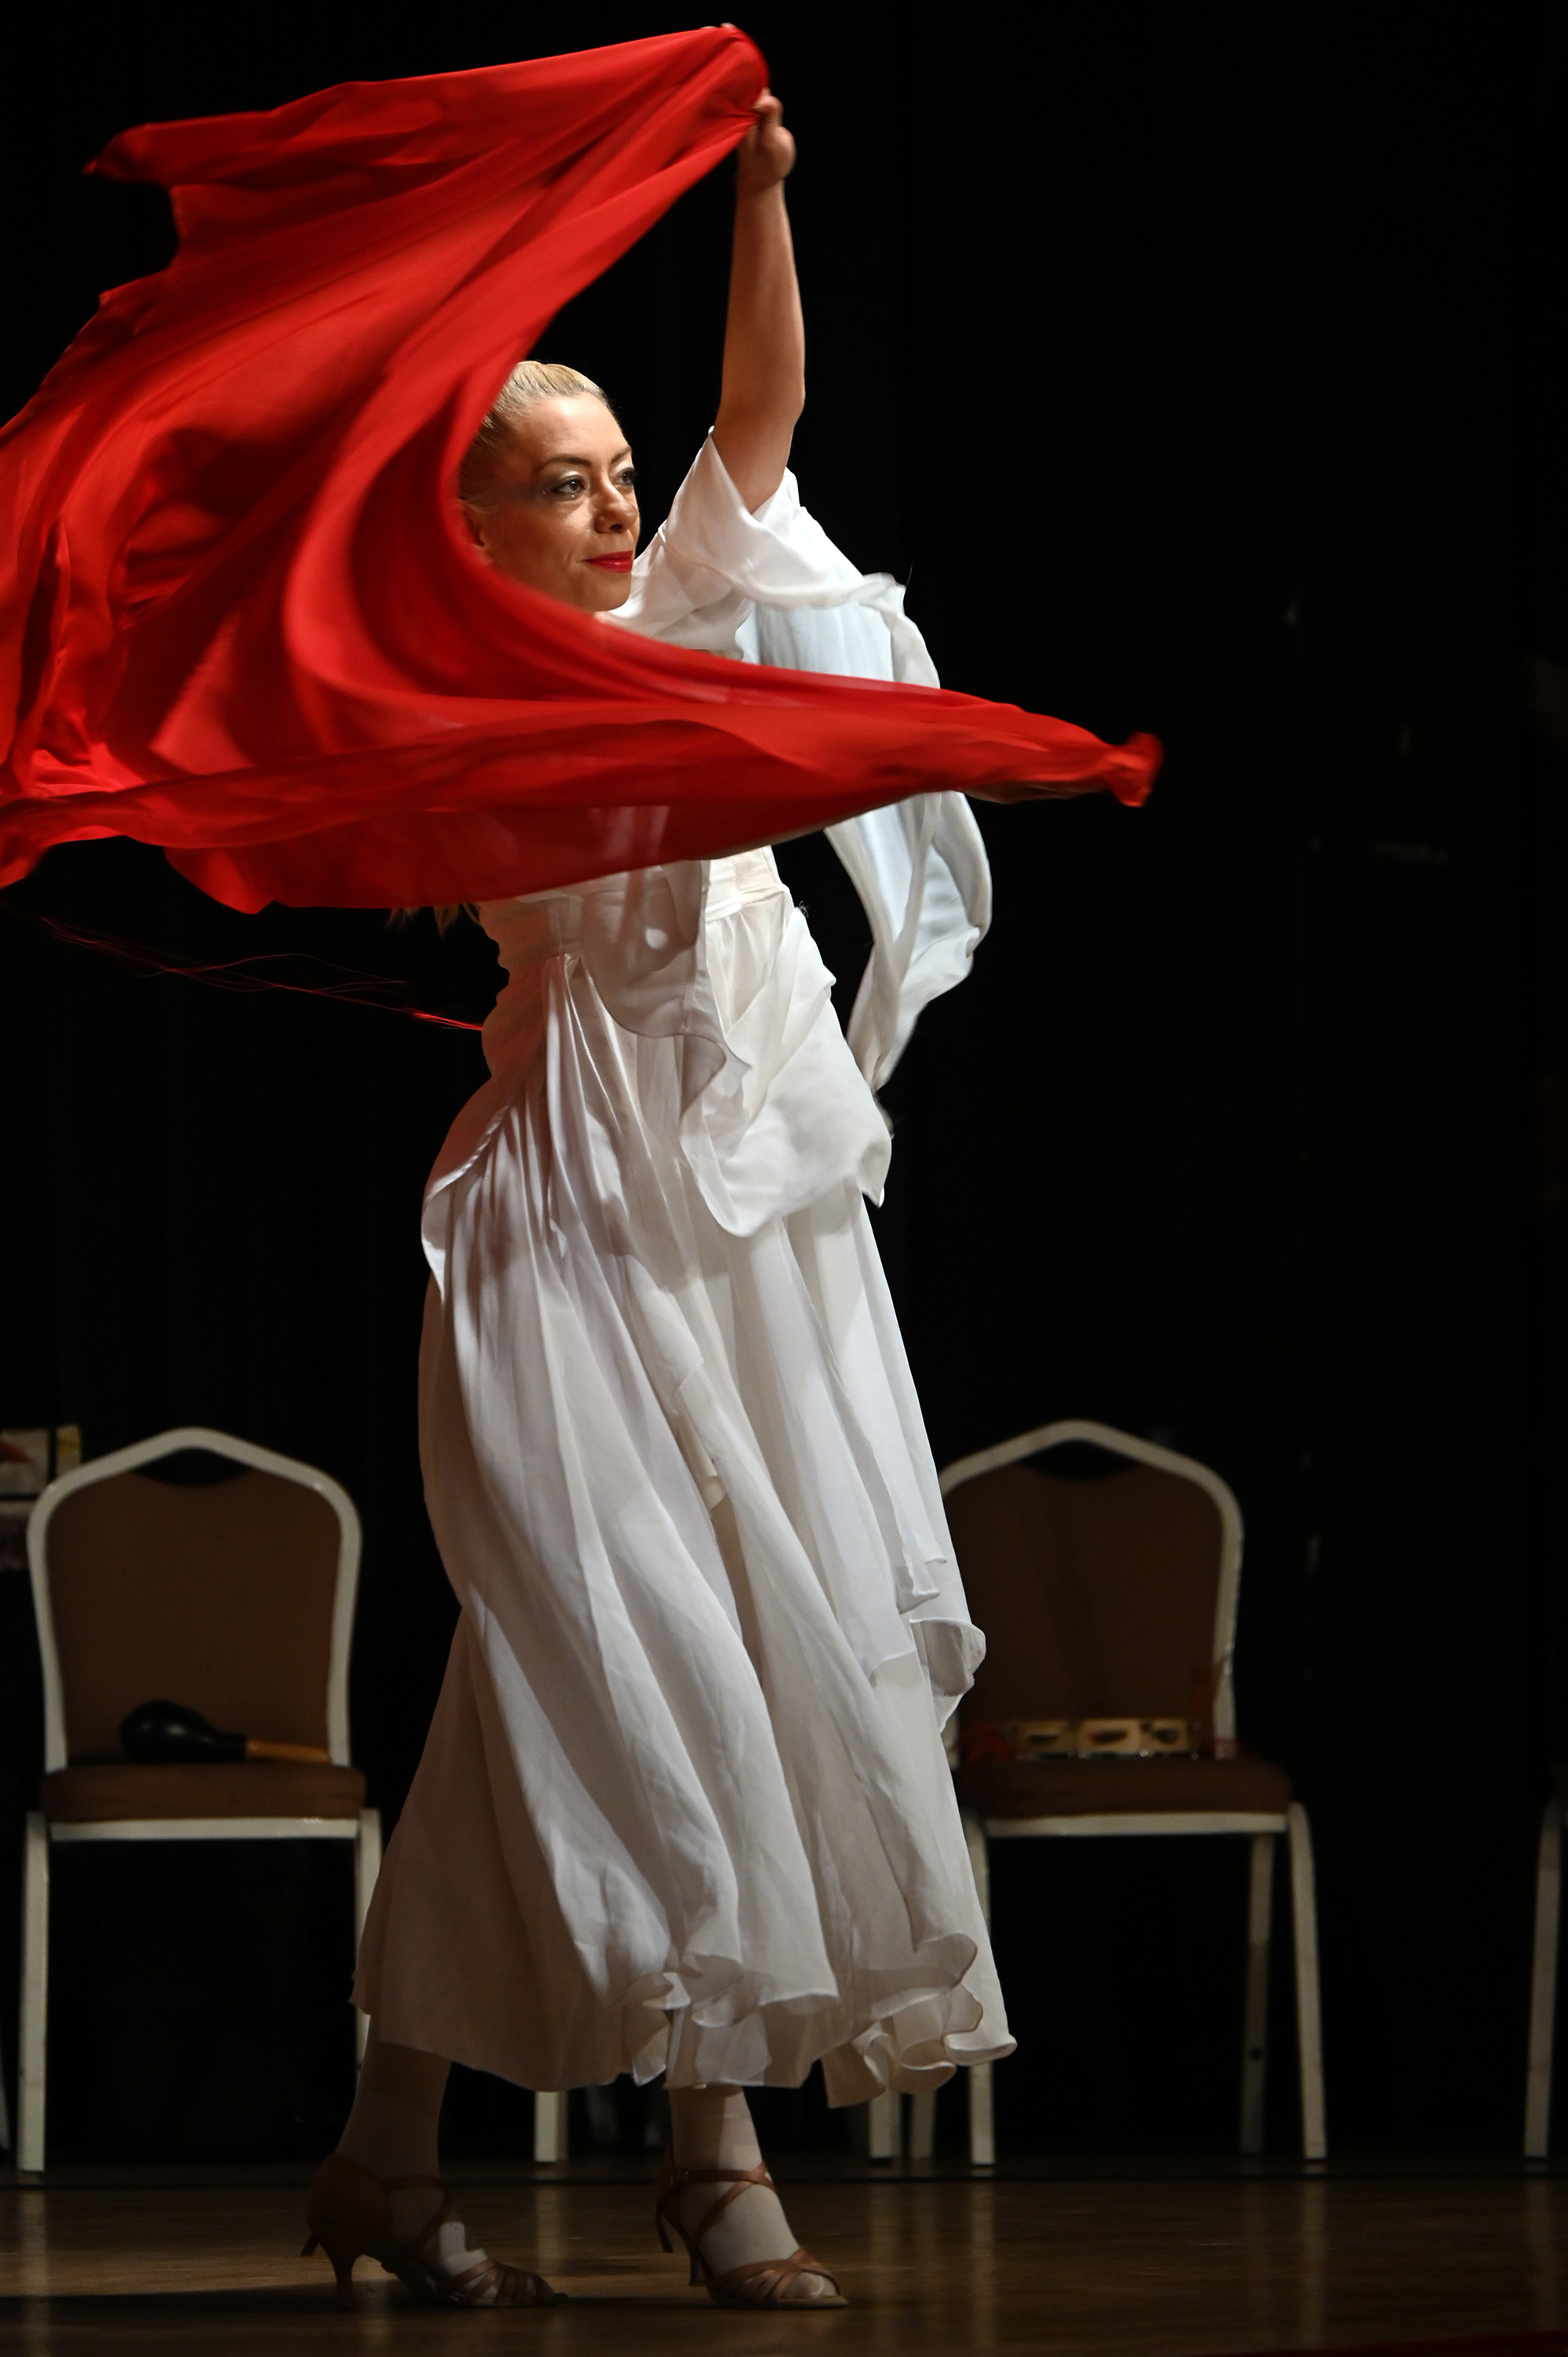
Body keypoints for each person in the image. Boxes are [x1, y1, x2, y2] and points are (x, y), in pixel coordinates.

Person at [302, 89, 1016, 2313]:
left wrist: (763, 197)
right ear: (473, 523)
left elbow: (760, 412)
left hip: (757, 1223)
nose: (618, 508)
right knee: (634, 1648)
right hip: (572, 1211)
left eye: (620, 474)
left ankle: (395, 2147)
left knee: (630, 1665)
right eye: (565, 483)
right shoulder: (439, 701)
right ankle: (712, 2162)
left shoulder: (688, 610)